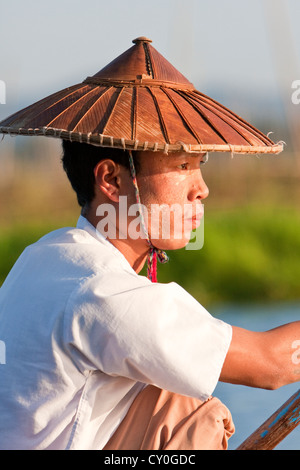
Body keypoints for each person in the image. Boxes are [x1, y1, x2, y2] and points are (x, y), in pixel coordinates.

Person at [0, 37, 298, 451]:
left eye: (199, 166)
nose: (202, 190)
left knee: (172, 387)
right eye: (181, 165)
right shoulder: (106, 292)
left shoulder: (44, 255)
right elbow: (273, 365)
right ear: (111, 179)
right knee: (194, 411)